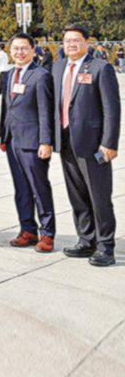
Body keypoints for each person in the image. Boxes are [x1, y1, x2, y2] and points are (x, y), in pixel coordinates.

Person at [53, 23, 120, 267]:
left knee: (99, 196)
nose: (71, 44)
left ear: (87, 43)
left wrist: (109, 143)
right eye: (67, 40)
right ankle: (86, 239)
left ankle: (105, 246)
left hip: (94, 146)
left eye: (76, 40)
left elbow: (112, 109)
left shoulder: (101, 68)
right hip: (66, 142)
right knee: (77, 195)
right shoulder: (58, 67)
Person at [0, 32, 56, 252]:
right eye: (15, 49)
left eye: (24, 48)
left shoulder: (40, 75)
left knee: (39, 188)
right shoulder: (9, 74)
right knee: (21, 189)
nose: (19, 52)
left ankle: (47, 234)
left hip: (33, 142)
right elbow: (6, 108)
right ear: (10, 51)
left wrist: (45, 141)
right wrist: (3, 136)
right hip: (13, 141)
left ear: (34, 50)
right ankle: (27, 230)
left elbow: (45, 111)